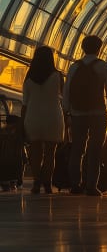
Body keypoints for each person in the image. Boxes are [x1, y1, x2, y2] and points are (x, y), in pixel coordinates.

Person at [63, 35, 107, 196]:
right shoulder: (104, 67)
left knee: (77, 148)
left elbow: (66, 91)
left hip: (77, 114)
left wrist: (66, 110)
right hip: (98, 114)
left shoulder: (74, 67)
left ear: (82, 48)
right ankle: (91, 186)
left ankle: (75, 184)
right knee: (95, 150)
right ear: (99, 48)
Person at [21, 46, 65, 194]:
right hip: (53, 116)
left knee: (35, 152)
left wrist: (22, 121)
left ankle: (36, 183)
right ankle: (47, 183)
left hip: (33, 117)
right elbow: (63, 97)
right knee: (50, 153)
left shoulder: (29, 77)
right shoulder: (57, 76)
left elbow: (25, 102)